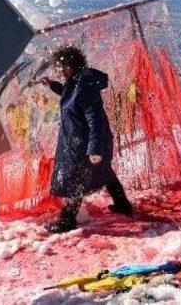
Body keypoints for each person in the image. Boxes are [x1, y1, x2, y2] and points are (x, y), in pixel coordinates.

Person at [41, 46, 134, 233]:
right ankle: (123, 204)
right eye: (58, 67)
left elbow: (95, 119)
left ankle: (67, 220)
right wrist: (52, 85)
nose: (59, 70)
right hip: (82, 141)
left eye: (62, 66)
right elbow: (71, 97)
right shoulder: (77, 82)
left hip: (84, 144)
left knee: (76, 179)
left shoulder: (84, 86)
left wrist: (94, 149)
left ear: (72, 65)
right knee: (104, 172)